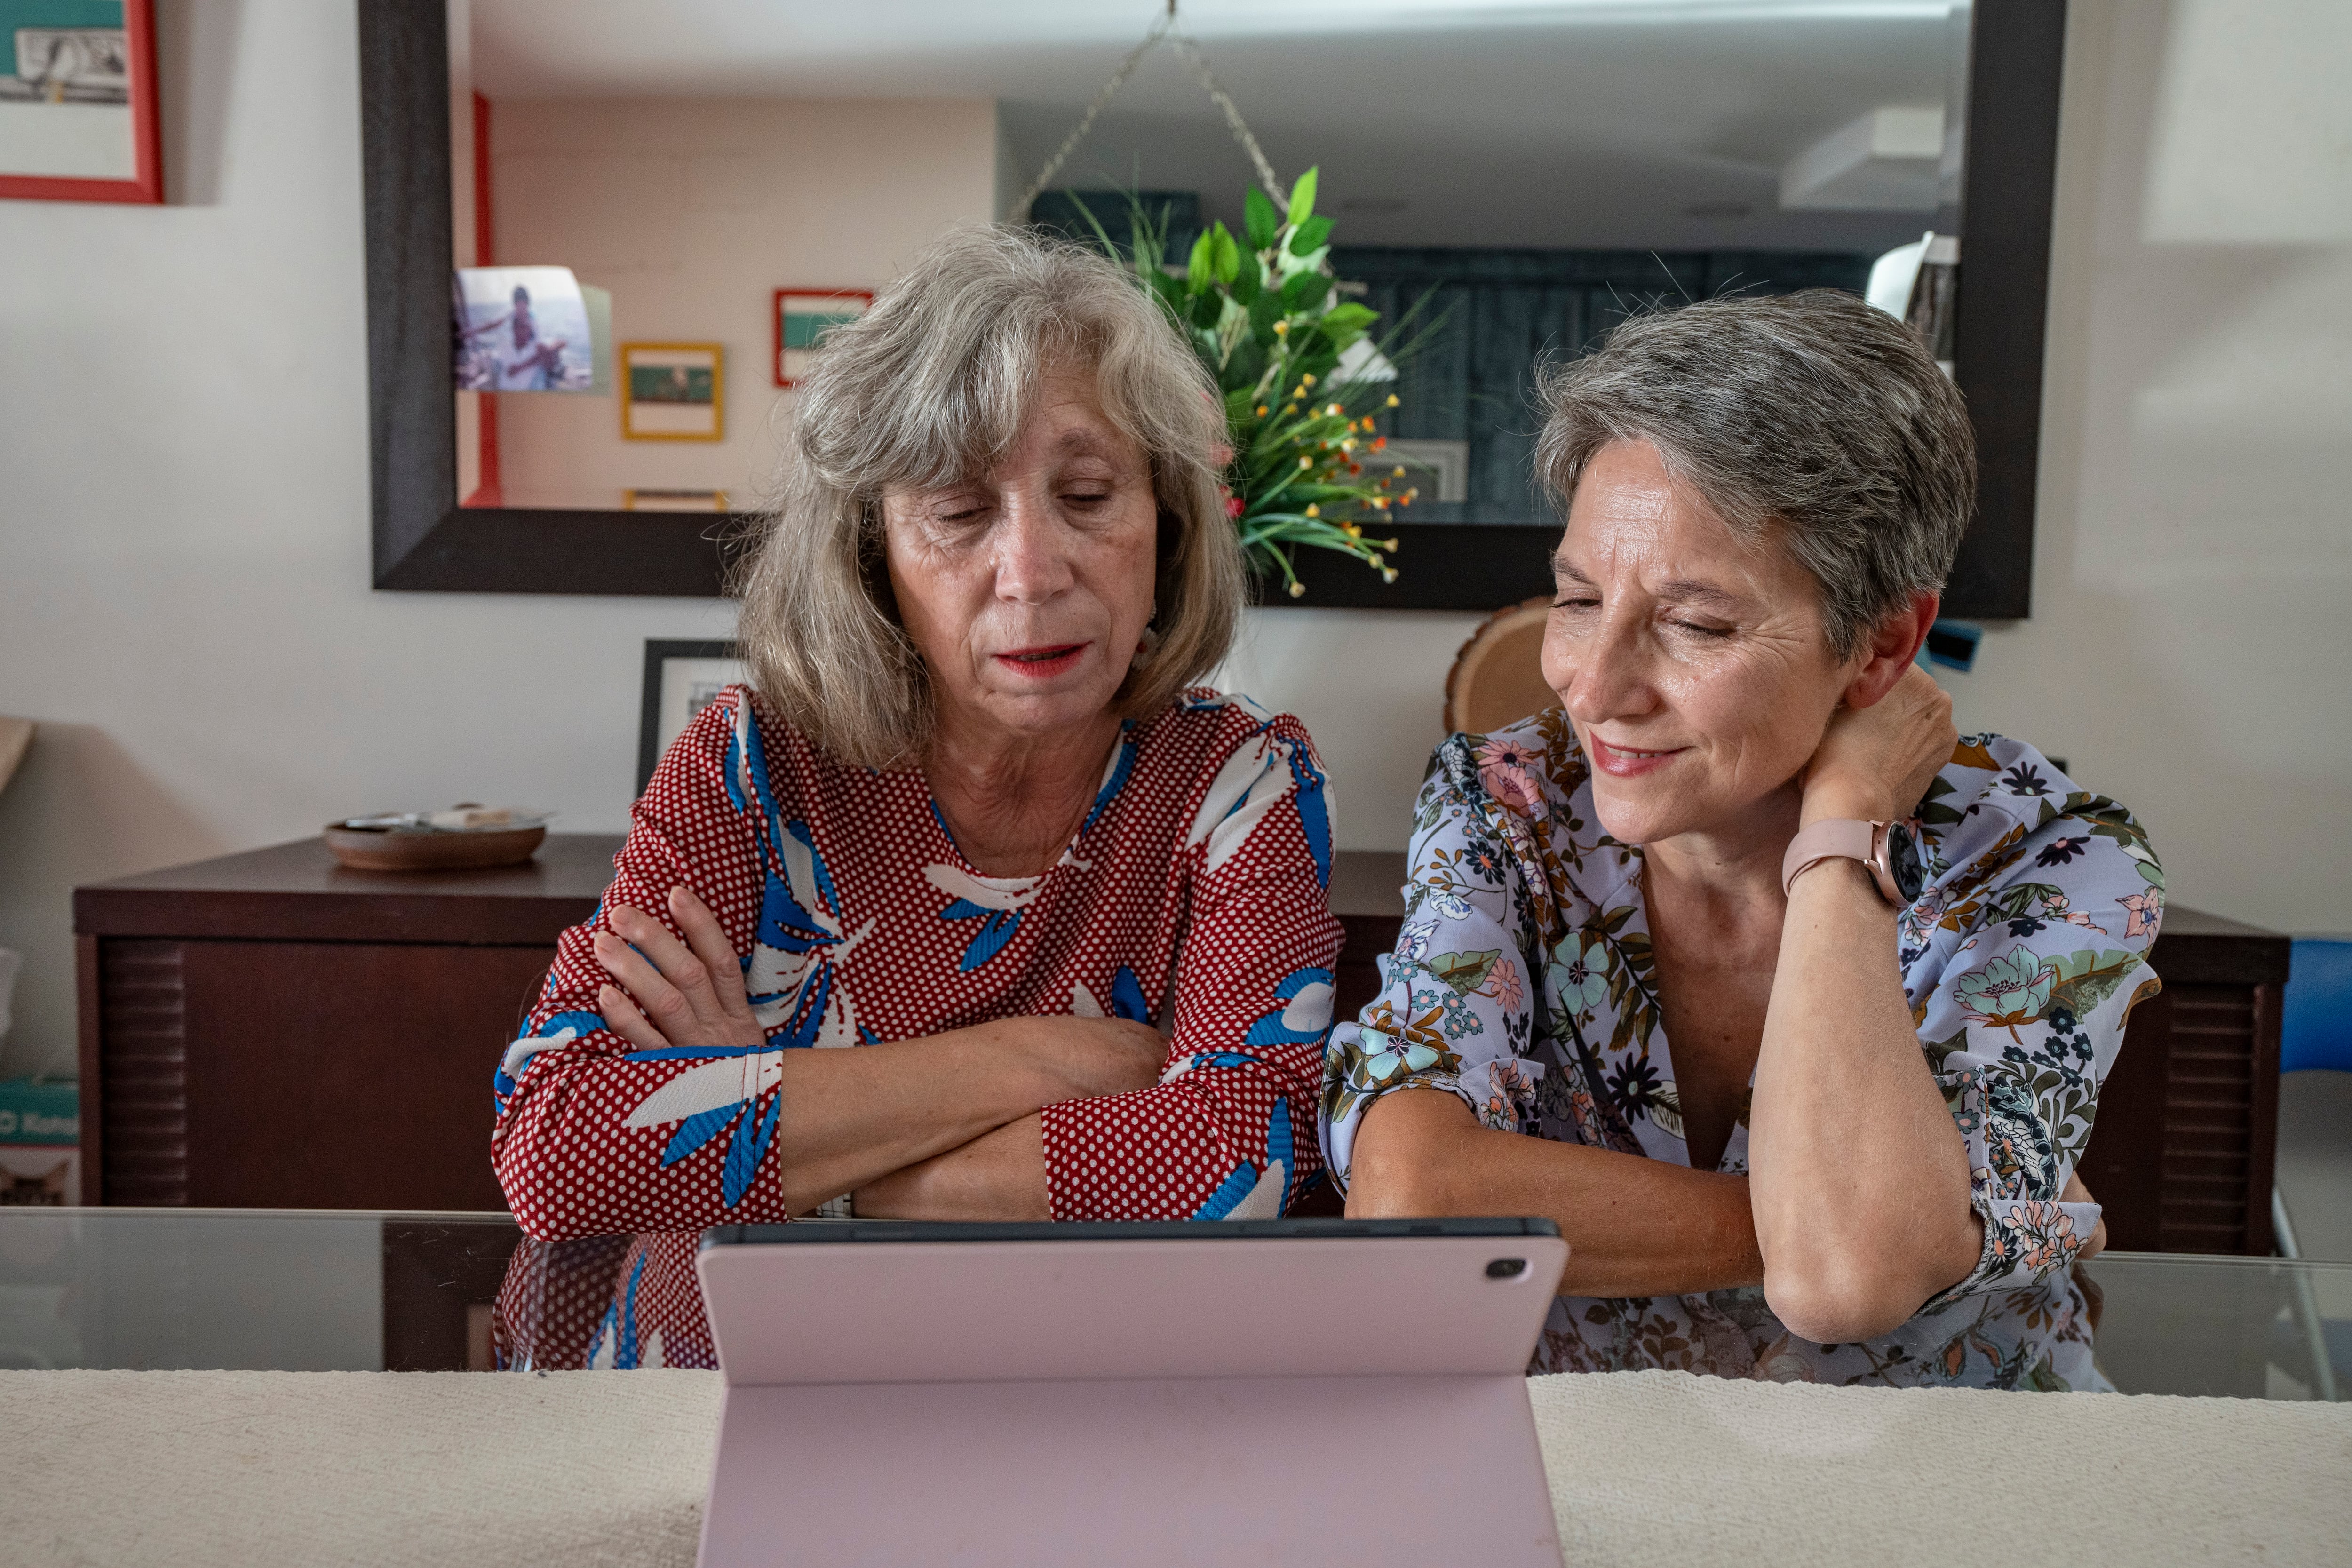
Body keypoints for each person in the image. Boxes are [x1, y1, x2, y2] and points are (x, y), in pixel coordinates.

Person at [491, 227, 1340, 1369]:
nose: (1032, 570)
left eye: (1086, 495)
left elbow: (1242, 1165)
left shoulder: (1240, 783)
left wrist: (778, 1135)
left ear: (1168, 525)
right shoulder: (746, 766)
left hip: (1075, 1399)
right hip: (712, 1397)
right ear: (871, 552)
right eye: (957, 510)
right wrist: (1036, 1062)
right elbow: (558, 1148)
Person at [1322, 291, 2164, 1389]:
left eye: (1695, 623)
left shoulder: (2050, 865)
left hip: (1949, 1485)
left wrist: (1841, 836)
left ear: (1882, 644)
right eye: (1578, 599)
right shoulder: (1506, 802)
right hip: (1598, 1479)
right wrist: (1951, 1227)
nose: (1596, 684)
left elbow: (1843, 1286)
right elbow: (1411, 1196)